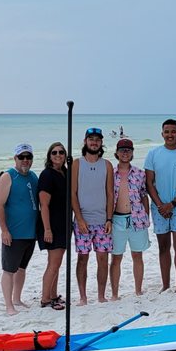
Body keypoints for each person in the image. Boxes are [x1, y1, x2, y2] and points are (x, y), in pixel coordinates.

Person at [144, 118, 176, 291]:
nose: (170, 135)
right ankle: (165, 285)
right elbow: (149, 183)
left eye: (173, 131)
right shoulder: (153, 154)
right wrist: (160, 205)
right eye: (166, 132)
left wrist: (171, 204)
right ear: (162, 133)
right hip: (158, 208)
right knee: (163, 247)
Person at [0, 142, 40, 316]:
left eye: (29, 157)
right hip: (13, 233)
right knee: (9, 269)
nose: (25, 160)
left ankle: (17, 299)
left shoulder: (33, 177)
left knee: (21, 268)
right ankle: (9, 306)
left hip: (30, 232)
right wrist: (4, 230)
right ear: (15, 158)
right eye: (22, 157)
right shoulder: (8, 176)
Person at [70, 127, 114, 304]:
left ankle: (101, 296)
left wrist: (109, 218)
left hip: (103, 221)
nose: (94, 142)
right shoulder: (76, 164)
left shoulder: (107, 165)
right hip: (83, 221)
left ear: (101, 142)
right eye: (91, 139)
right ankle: (83, 296)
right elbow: (72, 193)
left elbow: (110, 194)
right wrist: (79, 219)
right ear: (85, 141)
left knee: (103, 258)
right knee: (83, 258)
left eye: (97, 139)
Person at [110, 138, 151, 298]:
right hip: (117, 220)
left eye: (128, 150)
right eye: (122, 150)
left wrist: (146, 215)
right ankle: (114, 293)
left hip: (137, 219)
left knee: (137, 255)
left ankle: (138, 290)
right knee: (116, 257)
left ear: (132, 152)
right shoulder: (110, 173)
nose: (125, 153)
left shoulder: (140, 173)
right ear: (117, 153)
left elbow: (144, 195)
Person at [37, 142, 69, 311]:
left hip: (64, 223)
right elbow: (44, 205)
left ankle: (53, 295)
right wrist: (47, 229)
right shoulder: (47, 175)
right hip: (51, 225)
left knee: (57, 262)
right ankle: (45, 298)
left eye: (61, 152)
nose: (58, 155)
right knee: (53, 263)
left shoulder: (64, 172)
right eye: (54, 152)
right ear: (49, 156)